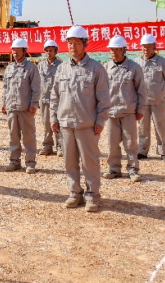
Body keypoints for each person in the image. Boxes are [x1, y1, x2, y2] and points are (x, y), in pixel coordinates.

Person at [51, 25, 110, 213]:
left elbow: (104, 98)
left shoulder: (96, 69)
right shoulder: (62, 69)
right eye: (70, 43)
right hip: (65, 124)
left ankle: (92, 195)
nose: (73, 47)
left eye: (77, 43)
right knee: (69, 162)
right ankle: (74, 193)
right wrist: (54, 118)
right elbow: (55, 96)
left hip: (86, 124)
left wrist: (100, 121)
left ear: (85, 44)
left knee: (89, 162)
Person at [103, 36, 146, 183]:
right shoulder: (106, 68)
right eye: (111, 49)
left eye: (117, 49)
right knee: (112, 143)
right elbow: (100, 90)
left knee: (131, 143)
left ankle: (133, 169)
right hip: (111, 112)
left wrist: (140, 109)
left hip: (128, 112)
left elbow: (141, 90)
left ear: (123, 50)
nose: (114, 52)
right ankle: (114, 168)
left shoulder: (134, 68)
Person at [1, 38, 41, 173]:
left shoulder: (31, 68)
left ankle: (30, 163)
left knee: (29, 137)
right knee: (13, 137)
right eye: (13, 50)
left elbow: (36, 88)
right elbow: (5, 87)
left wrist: (34, 104)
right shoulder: (9, 68)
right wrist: (4, 103)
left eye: (18, 50)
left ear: (24, 51)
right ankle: (14, 162)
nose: (15, 53)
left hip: (25, 109)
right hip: (11, 108)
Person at [136, 34, 165, 163]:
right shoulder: (137, 62)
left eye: (148, 47)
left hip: (158, 102)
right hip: (142, 102)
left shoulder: (162, 62)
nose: (146, 49)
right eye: (144, 47)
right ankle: (142, 151)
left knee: (161, 126)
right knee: (143, 127)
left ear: (154, 47)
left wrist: (161, 92)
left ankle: (164, 152)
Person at [37, 41, 63, 156]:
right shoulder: (41, 66)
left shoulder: (61, 66)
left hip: (58, 101)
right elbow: (37, 83)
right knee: (46, 124)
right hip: (44, 100)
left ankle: (60, 146)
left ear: (55, 51)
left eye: (51, 50)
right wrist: (36, 99)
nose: (48, 53)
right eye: (47, 51)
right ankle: (47, 146)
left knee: (58, 123)